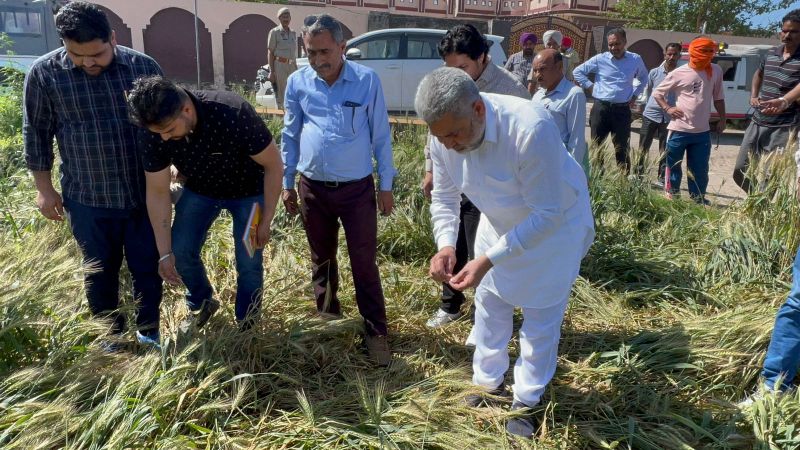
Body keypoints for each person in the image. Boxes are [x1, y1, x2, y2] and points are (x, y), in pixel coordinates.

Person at [416, 67, 594, 438]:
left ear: (478, 110)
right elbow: (446, 197)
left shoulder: (531, 128)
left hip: (553, 232)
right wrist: (446, 244)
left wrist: (488, 259)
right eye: (440, 137)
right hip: (497, 226)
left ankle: (527, 401)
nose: (448, 144)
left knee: (539, 322)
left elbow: (546, 213)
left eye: (454, 134)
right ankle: (487, 385)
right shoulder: (443, 136)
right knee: (490, 310)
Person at [23, 2, 164, 348]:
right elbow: (36, 133)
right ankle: (109, 338)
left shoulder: (142, 67)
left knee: (148, 269)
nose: (88, 62)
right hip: (87, 198)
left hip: (143, 195)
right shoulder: (44, 75)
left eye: (97, 54)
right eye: (77, 54)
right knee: (99, 273)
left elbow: (165, 126)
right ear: (63, 44)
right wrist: (44, 189)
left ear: (112, 38)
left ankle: (149, 333)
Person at [281, 14, 396, 366]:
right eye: (311, 52)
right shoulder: (299, 83)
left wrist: (386, 184)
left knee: (363, 262)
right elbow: (289, 134)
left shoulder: (366, 81)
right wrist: (288, 183)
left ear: (343, 47)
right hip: (313, 189)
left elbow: (380, 134)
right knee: (322, 260)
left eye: (324, 51)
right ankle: (329, 320)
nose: (318, 60)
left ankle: (376, 331)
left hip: (357, 191)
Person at [127, 76, 283, 332]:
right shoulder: (153, 132)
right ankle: (202, 302)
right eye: (159, 133)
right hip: (200, 191)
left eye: (168, 131)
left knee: (249, 262)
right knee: (181, 251)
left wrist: (266, 220)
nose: (163, 139)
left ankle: (248, 326)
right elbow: (157, 192)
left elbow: (273, 165)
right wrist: (165, 253)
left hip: (249, 194)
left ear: (186, 110)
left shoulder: (232, 112)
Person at [422, 24, 529, 328]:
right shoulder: (446, 86)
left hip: (498, 188)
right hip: (460, 177)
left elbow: (527, 141)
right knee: (452, 244)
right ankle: (450, 304)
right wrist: (431, 166)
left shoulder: (511, 89)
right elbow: (436, 128)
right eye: (450, 68)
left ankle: (491, 315)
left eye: (463, 67)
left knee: (487, 252)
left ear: (482, 57)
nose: (457, 75)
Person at [733, 9, 800, 194]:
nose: (787, 35)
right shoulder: (771, 53)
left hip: (784, 126)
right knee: (739, 171)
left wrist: (785, 101)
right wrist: (753, 95)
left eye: (794, 31)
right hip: (758, 121)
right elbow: (758, 74)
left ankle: (760, 211)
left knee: (771, 177)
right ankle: (758, 202)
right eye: (785, 30)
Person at [653, 37, 726, 203]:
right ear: (693, 52)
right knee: (673, 167)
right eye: (703, 51)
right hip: (679, 130)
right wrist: (668, 108)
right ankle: (672, 198)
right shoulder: (679, 73)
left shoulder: (715, 70)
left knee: (699, 169)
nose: (707, 55)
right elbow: (657, 93)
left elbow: (719, 97)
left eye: (710, 51)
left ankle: (698, 199)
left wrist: (723, 119)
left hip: (702, 132)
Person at [573, 28, 648, 173]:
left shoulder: (635, 59)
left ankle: (622, 180)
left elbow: (644, 77)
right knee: (597, 146)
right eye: (611, 45)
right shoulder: (600, 59)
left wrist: (635, 95)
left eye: (617, 44)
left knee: (622, 147)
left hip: (622, 110)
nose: (614, 48)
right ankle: (596, 178)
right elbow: (578, 71)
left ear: (625, 42)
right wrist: (590, 87)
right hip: (601, 109)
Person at [531, 49, 589, 176]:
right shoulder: (538, 95)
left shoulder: (574, 94)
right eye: (535, 70)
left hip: (559, 166)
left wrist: (572, 173)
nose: (537, 75)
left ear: (559, 67)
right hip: (537, 164)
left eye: (542, 69)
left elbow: (577, 139)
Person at [639, 43, 681, 183]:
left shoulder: (682, 74)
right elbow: (650, 91)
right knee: (643, 147)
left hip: (670, 118)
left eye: (675, 54)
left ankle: (662, 177)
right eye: (669, 54)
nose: (671, 57)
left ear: (679, 55)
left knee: (665, 149)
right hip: (650, 114)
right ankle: (638, 175)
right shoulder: (654, 72)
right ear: (664, 54)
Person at [267, 7, 299, 109]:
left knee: (293, 92)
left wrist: (296, 67)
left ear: (290, 18)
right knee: (281, 94)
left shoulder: (293, 33)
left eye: (288, 16)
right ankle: (281, 119)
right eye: (283, 16)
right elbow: (270, 52)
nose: (286, 19)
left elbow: (293, 52)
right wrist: (272, 71)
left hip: (292, 66)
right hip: (280, 65)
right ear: (279, 18)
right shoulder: (274, 32)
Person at [526, 30, 561, 95]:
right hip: (541, 96)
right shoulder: (539, 60)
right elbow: (532, 83)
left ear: (559, 45)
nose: (552, 47)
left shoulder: (565, 61)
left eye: (555, 44)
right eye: (549, 44)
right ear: (545, 45)